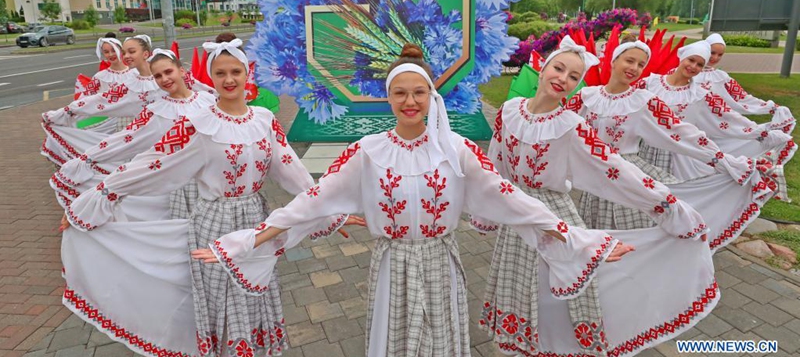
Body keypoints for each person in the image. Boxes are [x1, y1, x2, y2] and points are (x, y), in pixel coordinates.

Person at [192, 43, 634, 357]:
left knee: (441, 342)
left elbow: (513, 199)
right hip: (393, 264)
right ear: (388, 97)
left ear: (430, 98)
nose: (409, 101)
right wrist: (250, 240)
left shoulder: (457, 150)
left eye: (418, 93)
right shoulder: (367, 151)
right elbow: (311, 199)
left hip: (441, 262)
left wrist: (575, 237)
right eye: (399, 93)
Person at [62, 39, 347, 357]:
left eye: (235, 71)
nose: (229, 80)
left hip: (256, 223)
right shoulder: (197, 125)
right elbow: (151, 164)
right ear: (211, 76)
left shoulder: (264, 120)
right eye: (220, 73)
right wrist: (95, 198)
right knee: (220, 299)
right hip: (213, 223)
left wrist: (328, 209)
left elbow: (292, 170)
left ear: (246, 73)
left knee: (255, 294)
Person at [479, 36, 716, 357]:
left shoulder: (571, 126)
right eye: (558, 68)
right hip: (517, 218)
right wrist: (487, 212)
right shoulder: (510, 111)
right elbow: (494, 164)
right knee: (518, 288)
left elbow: (613, 169)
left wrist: (668, 206)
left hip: (553, 219)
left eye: (574, 76)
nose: (563, 79)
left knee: (558, 296)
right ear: (543, 68)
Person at [570, 35, 778, 251]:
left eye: (641, 64)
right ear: (613, 61)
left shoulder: (644, 100)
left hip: (629, 176)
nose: (635, 68)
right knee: (597, 239)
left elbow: (682, 132)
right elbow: (561, 127)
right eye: (629, 60)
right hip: (596, 179)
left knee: (636, 239)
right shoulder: (586, 97)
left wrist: (726, 161)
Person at [51, 49, 216, 213]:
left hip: (216, 178)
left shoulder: (208, 100)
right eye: (158, 76)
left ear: (181, 71)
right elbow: (125, 138)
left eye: (168, 72)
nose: (164, 79)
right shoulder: (156, 111)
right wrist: (86, 160)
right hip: (184, 182)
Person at [640, 41, 795, 198]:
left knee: (679, 196)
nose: (693, 67)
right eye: (691, 60)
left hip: (680, 153)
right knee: (645, 193)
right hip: (646, 149)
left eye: (699, 64)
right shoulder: (650, 83)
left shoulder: (700, 94)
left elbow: (728, 116)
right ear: (682, 57)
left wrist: (761, 133)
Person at [41, 35, 163, 165]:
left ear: (146, 54)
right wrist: (65, 112)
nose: (124, 55)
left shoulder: (160, 77)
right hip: (125, 124)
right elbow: (98, 100)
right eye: (106, 51)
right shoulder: (125, 82)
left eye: (131, 52)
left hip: (164, 133)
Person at [695, 34, 795, 133]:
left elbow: (742, 97)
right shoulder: (688, 73)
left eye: (720, 54)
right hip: (692, 121)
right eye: (713, 53)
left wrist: (771, 107)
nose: (715, 57)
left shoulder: (721, 77)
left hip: (716, 123)